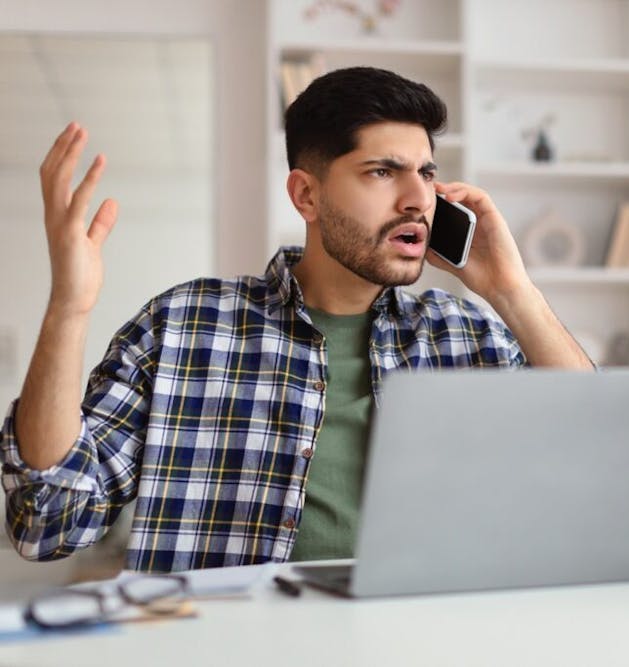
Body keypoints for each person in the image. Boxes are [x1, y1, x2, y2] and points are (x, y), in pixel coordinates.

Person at [1, 67, 592, 573]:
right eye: (383, 172)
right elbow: (49, 522)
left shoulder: (467, 334)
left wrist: (513, 292)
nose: (419, 199)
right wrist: (68, 308)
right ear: (306, 197)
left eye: (428, 174)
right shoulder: (182, 326)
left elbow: (591, 471)